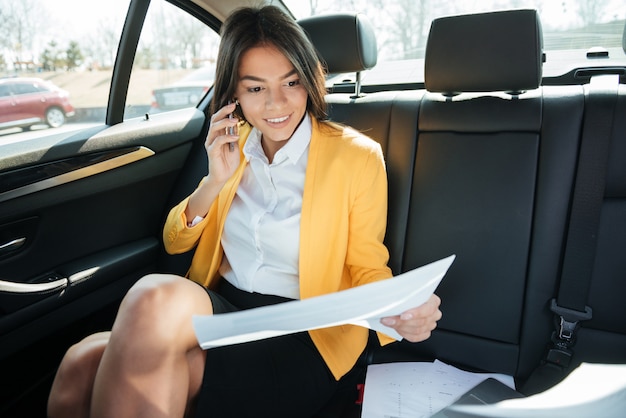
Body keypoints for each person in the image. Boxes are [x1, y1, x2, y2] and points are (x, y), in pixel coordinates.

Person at [47, 5, 442, 418]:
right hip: (226, 309)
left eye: (291, 82)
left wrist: (404, 307)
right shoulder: (231, 146)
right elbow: (174, 238)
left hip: (303, 332)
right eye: (255, 89)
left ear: (309, 79)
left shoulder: (356, 157)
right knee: (84, 357)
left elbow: (366, 266)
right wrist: (215, 179)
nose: (276, 103)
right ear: (235, 92)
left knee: (90, 362)